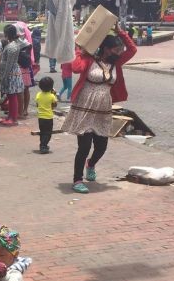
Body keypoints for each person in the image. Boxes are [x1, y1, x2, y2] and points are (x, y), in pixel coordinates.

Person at [62, 22, 137, 194]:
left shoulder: (116, 63)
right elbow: (75, 68)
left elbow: (132, 50)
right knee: (84, 146)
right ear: (105, 48)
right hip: (84, 108)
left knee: (102, 146)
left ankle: (91, 164)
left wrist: (121, 32)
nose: (118, 52)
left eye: (119, 50)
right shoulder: (89, 59)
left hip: (103, 109)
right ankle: (77, 179)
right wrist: (80, 49)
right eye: (115, 49)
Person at [0, 24, 27, 127]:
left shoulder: (11, 47)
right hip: (12, 72)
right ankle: (11, 116)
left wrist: (4, 77)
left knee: (12, 96)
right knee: (11, 96)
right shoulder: (13, 45)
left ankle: (13, 118)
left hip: (11, 74)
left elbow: (9, 64)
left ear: (7, 34)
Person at [35, 76, 57, 154]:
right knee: (48, 133)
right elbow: (54, 105)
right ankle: (43, 146)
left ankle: (43, 144)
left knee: (42, 132)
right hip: (48, 117)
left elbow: (37, 104)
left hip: (40, 117)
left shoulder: (38, 95)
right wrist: (54, 94)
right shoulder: (52, 96)